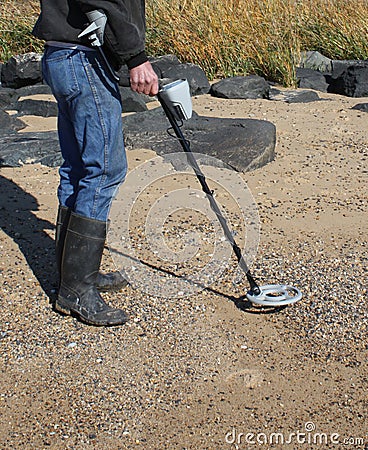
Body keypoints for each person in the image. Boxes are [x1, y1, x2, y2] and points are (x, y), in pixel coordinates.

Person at [32, 0, 159, 326]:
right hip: (82, 58)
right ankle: (76, 290)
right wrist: (136, 57)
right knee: (104, 170)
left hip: (62, 54)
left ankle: (73, 277)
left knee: (78, 170)